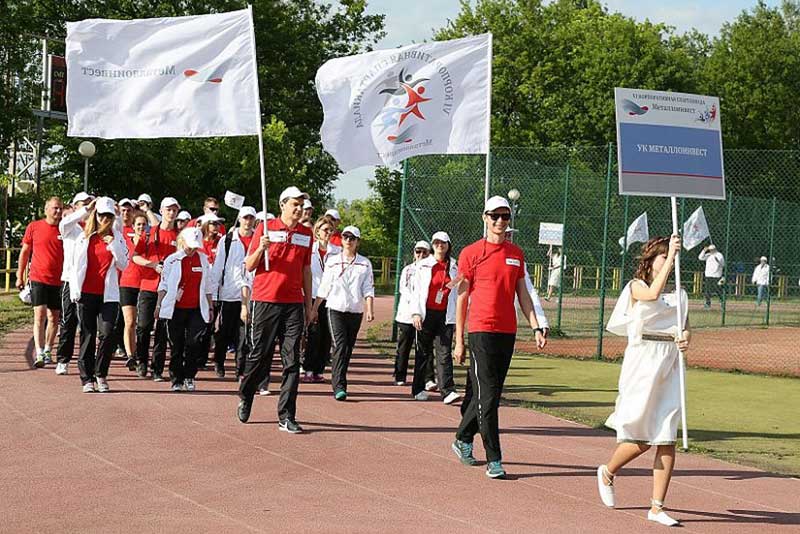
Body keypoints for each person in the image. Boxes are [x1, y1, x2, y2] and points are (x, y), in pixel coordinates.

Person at [450, 196, 546, 479]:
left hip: (507, 332)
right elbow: (461, 298)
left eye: (505, 216)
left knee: (487, 395)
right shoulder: (470, 253)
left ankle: (463, 437)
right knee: (489, 396)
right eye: (495, 216)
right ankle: (494, 458)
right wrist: (459, 339)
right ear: (485, 218)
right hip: (480, 330)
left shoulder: (516, 253)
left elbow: (523, 295)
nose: (500, 221)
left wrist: (536, 326)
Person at [598, 235, 690, 527]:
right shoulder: (636, 287)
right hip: (642, 363)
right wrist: (672, 254)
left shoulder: (679, 294)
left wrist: (686, 339)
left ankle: (656, 507)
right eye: (664, 258)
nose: (670, 262)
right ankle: (607, 472)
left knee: (666, 435)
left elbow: (686, 328)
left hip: (669, 364)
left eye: (671, 258)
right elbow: (651, 295)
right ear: (651, 262)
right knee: (640, 439)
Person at [237, 186, 313, 434]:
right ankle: (246, 395)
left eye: (302, 204)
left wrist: (308, 304)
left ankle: (287, 415)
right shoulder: (266, 228)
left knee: (292, 361)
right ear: (283, 205)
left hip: (293, 304)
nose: (299, 208)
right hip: (266, 300)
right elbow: (249, 265)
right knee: (260, 356)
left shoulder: (306, 234)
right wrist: (261, 247)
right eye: (295, 204)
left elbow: (306, 270)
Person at [70, 197, 128, 393]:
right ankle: (87, 378)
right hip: (86, 293)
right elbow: (74, 267)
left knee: (108, 333)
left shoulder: (117, 236)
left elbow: (123, 263)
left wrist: (113, 245)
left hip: (108, 295)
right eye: (102, 215)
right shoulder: (83, 237)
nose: (105, 219)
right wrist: (74, 291)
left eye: (109, 216)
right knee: (87, 335)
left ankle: (101, 373)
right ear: (96, 215)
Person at [311, 226, 374, 400]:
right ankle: (339, 385)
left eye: (352, 238)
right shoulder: (333, 260)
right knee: (339, 345)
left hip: (355, 310)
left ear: (357, 242)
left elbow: (368, 287)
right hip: (335, 308)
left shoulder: (364, 263)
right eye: (346, 237)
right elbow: (325, 286)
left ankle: (340, 378)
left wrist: (369, 308)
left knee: (347, 348)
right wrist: (315, 308)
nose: (348, 240)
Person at [155, 227, 213, 392]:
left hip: (196, 308)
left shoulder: (203, 260)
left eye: (195, 246)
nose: (192, 249)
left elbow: (208, 285)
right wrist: (159, 305)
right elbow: (164, 285)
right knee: (176, 345)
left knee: (193, 343)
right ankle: (176, 379)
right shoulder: (172, 260)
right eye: (190, 245)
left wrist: (210, 306)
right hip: (175, 309)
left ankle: (189, 376)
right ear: (182, 242)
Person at [133, 197, 180, 381]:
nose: (171, 213)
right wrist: (153, 265)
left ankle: (157, 367)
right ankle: (141, 361)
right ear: (161, 210)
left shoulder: (179, 236)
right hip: (149, 285)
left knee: (162, 329)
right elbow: (135, 257)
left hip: (168, 290)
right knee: (143, 326)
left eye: (174, 210)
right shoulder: (150, 233)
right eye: (168, 209)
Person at [410, 231, 460, 404]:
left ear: (448, 245)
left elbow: (455, 287)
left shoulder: (454, 266)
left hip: (445, 315)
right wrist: (416, 313)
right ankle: (418, 389)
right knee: (422, 352)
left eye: (443, 243)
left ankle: (447, 391)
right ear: (432, 245)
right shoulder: (423, 265)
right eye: (436, 242)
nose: (440, 245)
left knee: (444, 353)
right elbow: (415, 291)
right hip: (425, 314)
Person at [209, 206, 257, 378]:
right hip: (228, 293)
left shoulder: (257, 240)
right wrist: (214, 294)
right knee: (224, 332)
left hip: (250, 295)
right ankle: (219, 362)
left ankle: (240, 368)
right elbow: (218, 267)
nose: (248, 221)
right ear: (239, 219)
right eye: (245, 218)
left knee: (243, 335)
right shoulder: (227, 240)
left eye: (251, 218)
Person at [16, 197, 64, 368]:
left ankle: (48, 349)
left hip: (58, 280)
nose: (58, 212)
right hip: (38, 277)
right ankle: (39, 350)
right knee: (40, 315)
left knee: (54, 317)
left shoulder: (65, 228)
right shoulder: (34, 227)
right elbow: (25, 252)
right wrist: (19, 275)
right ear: (46, 209)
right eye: (54, 208)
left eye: (60, 208)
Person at [54, 192, 95, 375]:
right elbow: (65, 223)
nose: (88, 206)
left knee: (87, 324)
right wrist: (86, 209)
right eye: (83, 203)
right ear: (75, 206)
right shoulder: (69, 226)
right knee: (68, 321)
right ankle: (63, 359)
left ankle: (87, 362)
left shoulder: (96, 227)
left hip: (90, 282)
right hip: (70, 280)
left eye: (89, 202)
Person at [301, 215, 341, 383]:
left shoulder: (337, 252)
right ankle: (308, 367)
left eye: (331, 230)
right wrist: (307, 302)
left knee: (327, 336)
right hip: (313, 296)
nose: (328, 233)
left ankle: (318, 369)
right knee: (314, 334)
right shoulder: (310, 250)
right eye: (325, 230)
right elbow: (305, 273)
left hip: (331, 298)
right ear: (317, 231)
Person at [393, 241, 431, 386]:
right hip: (407, 314)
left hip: (424, 314)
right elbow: (404, 288)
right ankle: (400, 375)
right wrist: (416, 302)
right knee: (404, 345)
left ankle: (427, 378)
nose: (421, 255)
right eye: (418, 251)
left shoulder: (431, 269)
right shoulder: (408, 269)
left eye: (424, 252)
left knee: (424, 347)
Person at [118, 211, 148, 371]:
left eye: (144, 224)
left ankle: (140, 354)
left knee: (141, 324)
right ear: (133, 226)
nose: (141, 227)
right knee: (129, 321)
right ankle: (131, 355)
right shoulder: (125, 240)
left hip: (145, 284)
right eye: (139, 224)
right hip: (127, 283)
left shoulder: (149, 242)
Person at [698, 244, 724, 309]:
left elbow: (723, 264)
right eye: (710, 250)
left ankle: (722, 302)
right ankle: (707, 303)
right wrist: (704, 251)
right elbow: (700, 258)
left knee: (718, 290)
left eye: (712, 250)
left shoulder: (719, 255)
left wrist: (718, 260)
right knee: (707, 290)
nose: (711, 251)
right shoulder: (708, 255)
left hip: (717, 275)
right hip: (708, 275)